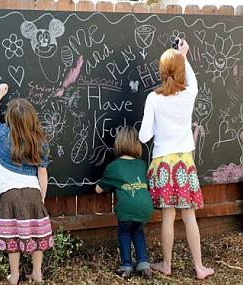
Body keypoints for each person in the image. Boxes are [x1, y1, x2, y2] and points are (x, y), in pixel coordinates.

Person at [139, 40, 214, 280]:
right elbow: (193, 80)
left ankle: (167, 265)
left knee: (168, 216)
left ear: (162, 72)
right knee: (189, 215)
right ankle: (199, 267)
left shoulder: (153, 98)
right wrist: (184, 55)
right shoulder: (189, 94)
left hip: (162, 163)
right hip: (184, 163)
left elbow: (144, 136)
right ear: (180, 70)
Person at [0, 83, 53, 285]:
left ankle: (14, 276)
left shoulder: (4, 133)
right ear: (32, 117)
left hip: (9, 194)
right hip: (33, 193)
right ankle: (37, 273)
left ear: (10, 119)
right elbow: (43, 172)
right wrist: (41, 196)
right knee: (37, 235)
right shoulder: (40, 142)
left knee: (12, 239)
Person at [95, 126, 154, 279]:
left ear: (118, 143)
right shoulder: (141, 164)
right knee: (138, 232)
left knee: (124, 233)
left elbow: (98, 189)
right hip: (145, 207)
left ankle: (126, 266)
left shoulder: (114, 166)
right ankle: (144, 265)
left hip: (127, 209)